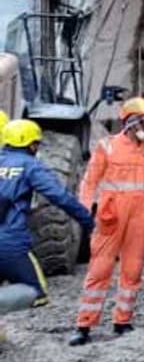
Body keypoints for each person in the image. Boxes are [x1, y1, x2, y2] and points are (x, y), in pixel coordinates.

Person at [71, 97, 144, 346]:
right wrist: (84, 210)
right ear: (132, 122)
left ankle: (123, 320)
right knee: (100, 269)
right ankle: (84, 324)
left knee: (133, 270)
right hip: (111, 213)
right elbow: (89, 181)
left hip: (140, 213)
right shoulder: (107, 146)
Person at [0, 120, 94, 313]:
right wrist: (89, 221)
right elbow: (60, 197)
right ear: (31, 145)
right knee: (37, 294)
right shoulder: (30, 166)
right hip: (11, 246)